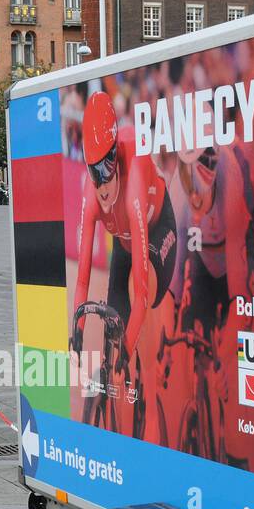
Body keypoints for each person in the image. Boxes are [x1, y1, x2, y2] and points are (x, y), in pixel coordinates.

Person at [73, 89, 179, 376]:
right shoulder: (91, 192)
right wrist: (77, 330)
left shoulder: (132, 178)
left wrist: (128, 349)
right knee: (114, 324)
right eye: (94, 172)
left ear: (116, 155)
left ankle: (151, 371)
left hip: (156, 230)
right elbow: (81, 278)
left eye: (108, 167)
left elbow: (142, 295)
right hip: (124, 241)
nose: (103, 183)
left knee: (137, 293)